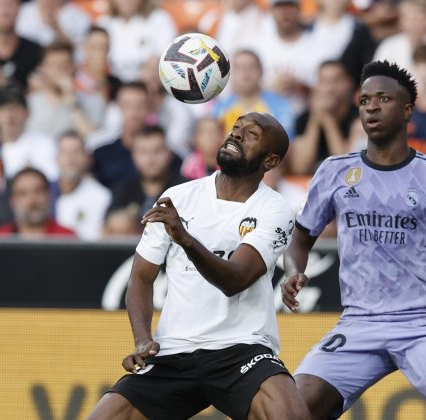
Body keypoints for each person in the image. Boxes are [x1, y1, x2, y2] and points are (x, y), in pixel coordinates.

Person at [282, 61, 426, 419]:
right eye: (365, 100)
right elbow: (300, 239)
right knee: (293, 408)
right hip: (360, 323)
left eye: (384, 98)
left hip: (424, 323)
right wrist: (292, 271)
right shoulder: (335, 171)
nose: (372, 107)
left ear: (408, 109)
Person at [88, 111, 309, 420]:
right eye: (235, 128)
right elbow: (140, 277)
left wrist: (186, 239)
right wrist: (142, 339)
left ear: (270, 161)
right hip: (173, 352)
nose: (236, 135)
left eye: (252, 134)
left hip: (241, 349)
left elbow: (236, 279)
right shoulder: (177, 197)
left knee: (290, 413)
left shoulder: (275, 209)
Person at [53, 131, 112, 241]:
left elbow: (92, 240)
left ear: (88, 159)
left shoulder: (101, 196)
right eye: (64, 152)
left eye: (76, 152)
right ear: (56, 158)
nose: (70, 159)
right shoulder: (43, 190)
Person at [0, 167, 75, 237]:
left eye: (38, 191)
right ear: (12, 201)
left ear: (49, 196)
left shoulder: (67, 237)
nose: (32, 200)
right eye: (23, 194)